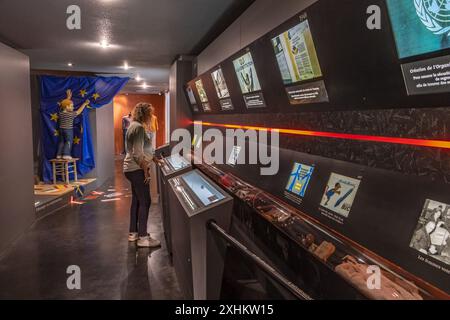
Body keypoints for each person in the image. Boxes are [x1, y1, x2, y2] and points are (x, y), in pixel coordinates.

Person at [123, 103, 162, 248]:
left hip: (130, 169)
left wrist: (154, 159)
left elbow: (143, 149)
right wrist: (145, 169)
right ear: (145, 114)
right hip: (137, 170)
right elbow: (137, 153)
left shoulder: (133, 125)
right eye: (150, 114)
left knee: (137, 201)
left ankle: (133, 233)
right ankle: (143, 237)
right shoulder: (139, 128)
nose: (151, 117)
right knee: (145, 201)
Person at [56, 89, 90, 159]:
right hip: (68, 130)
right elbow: (78, 112)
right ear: (67, 107)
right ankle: (66, 154)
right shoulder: (70, 114)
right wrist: (84, 104)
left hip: (61, 130)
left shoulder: (61, 113)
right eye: (71, 106)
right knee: (68, 141)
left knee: (62, 141)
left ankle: (58, 155)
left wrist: (68, 98)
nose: (73, 107)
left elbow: (62, 105)